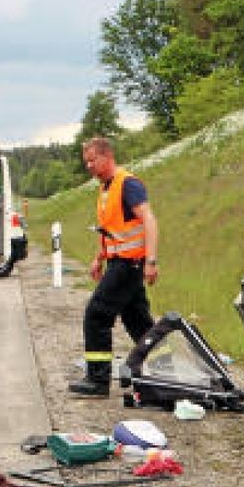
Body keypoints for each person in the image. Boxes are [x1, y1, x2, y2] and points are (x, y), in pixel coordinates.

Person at [69, 137, 160, 397]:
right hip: (119, 262)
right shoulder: (106, 188)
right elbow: (114, 231)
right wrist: (99, 257)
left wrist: (151, 261)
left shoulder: (127, 184)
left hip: (130, 264)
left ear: (107, 157)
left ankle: (98, 381)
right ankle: (165, 369)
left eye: (92, 160)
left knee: (97, 314)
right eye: (85, 161)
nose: (89, 166)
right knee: (139, 322)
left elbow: (149, 221)